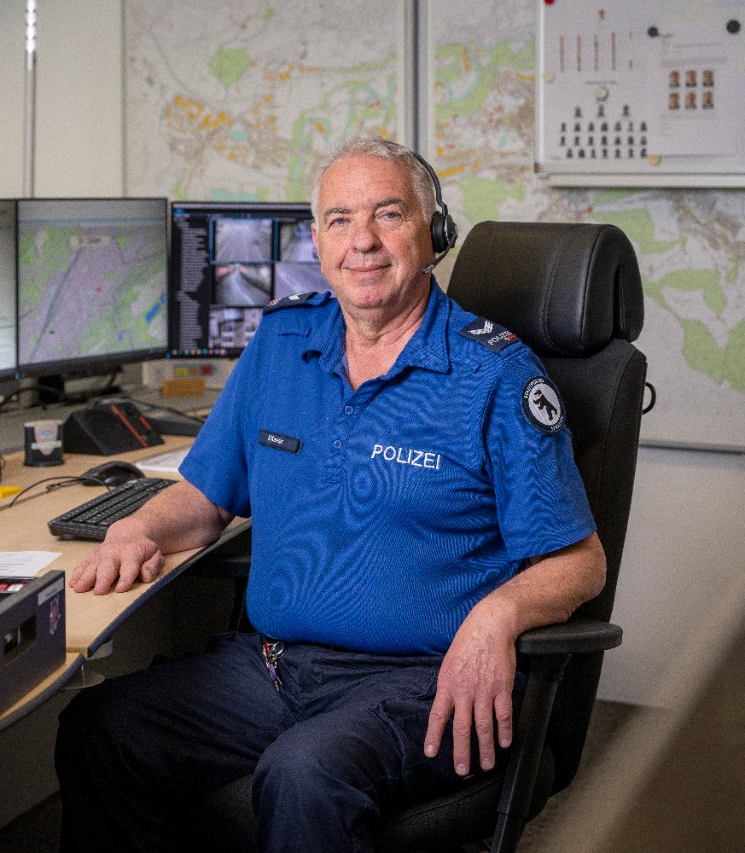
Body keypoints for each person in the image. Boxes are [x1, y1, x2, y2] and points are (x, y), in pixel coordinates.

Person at [54, 137, 606, 852]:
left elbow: (581, 561)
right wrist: (139, 526)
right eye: (340, 221)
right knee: (101, 729)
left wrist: (499, 615)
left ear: (434, 233)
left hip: (421, 681)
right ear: (317, 242)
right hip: (274, 667)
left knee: (304, 773)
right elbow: (205, 497)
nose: (364, 241)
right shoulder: (282, 343)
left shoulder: (493, 375)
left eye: (388, 214)